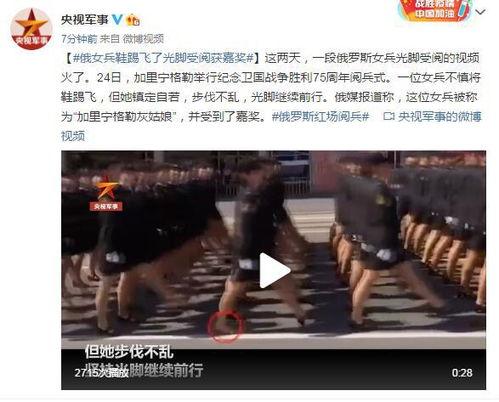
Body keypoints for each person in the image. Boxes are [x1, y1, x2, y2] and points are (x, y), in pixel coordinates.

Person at [216, 159, 305, 333]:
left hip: (261, 249)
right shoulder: (250, 197)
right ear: (248, 175)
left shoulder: (255, 193)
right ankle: (220, 322)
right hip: (250, 251)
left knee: (281, 280)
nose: (263, 174)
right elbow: (247, 228)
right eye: (258, 172)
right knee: (235, 287)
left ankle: (299, 312)